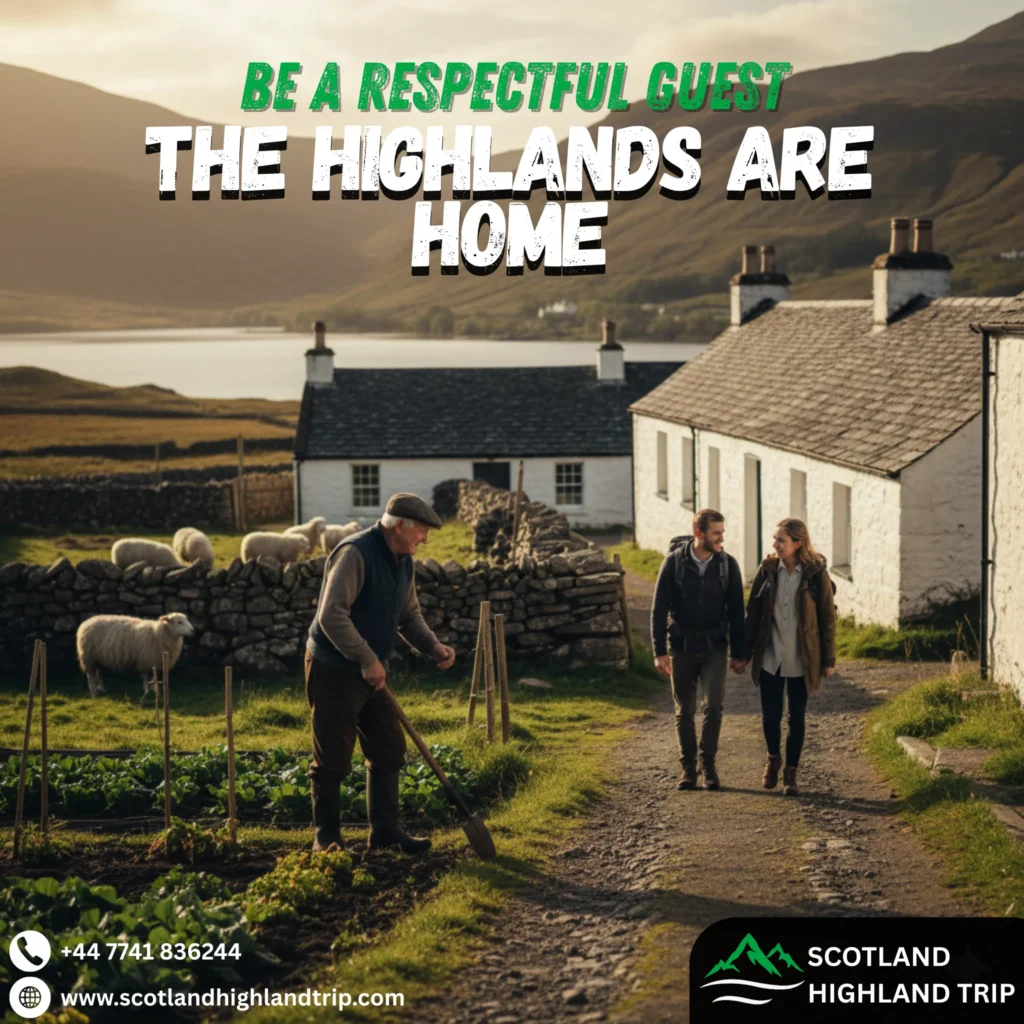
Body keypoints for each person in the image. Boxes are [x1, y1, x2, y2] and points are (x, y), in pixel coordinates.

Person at [305, 493, 456, 854]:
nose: (426, 538)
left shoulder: (403, 560)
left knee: (388, 747)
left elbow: (409, 615)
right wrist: (366, 659)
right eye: (422, 530)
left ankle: (385, 833)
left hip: (370, 667)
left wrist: (432, 646)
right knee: (333, 756)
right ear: (400, 525)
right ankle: (326, 840)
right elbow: (331, 616)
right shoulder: (355, 553)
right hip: (333, 667)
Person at [651, 509, 746, 791]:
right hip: (680, 647)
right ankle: (688, 769)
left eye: (722, 532)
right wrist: (659, 651)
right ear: (699, 534)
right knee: (684, 710)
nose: (721, 538)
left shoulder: (728, 564)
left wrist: (739, 653)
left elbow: (737, 613)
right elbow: (658, 610)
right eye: (716, 532)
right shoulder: (673, 563)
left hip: (715, 647)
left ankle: (708, 765)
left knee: (713, 706)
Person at [744, 518, 837, 796]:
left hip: (802, 657)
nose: (775, 545)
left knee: (796, 717)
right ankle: (773, 759)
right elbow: (754, 614)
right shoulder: (768, 570)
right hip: (772, 655)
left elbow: (827, 618)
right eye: (775, 539)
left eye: (781, 540)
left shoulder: (815, 573)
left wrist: (828, 660)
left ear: (798, 543)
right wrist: (742, 653)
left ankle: (791, 774)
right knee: (770, 717)